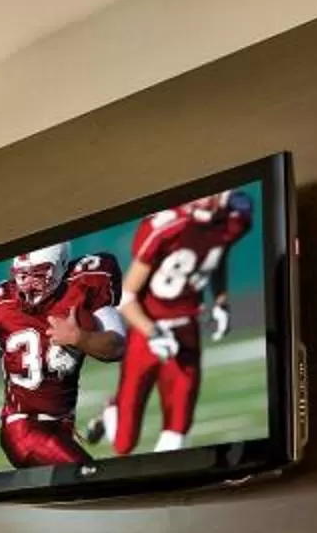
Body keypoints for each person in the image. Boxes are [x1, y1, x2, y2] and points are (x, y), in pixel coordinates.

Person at [95, 189, 255, 454]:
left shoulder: (232, 220)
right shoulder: (166, 227)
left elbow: (216, 253)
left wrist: (221, 300)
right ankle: (113, 409)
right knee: (123, 445)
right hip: (147, 333)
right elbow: (126, 296)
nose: (203, 198)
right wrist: (152, 332)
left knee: (177, 434)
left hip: (187, 330)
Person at [0, 244, 125, 469]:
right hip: (22, 427)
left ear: (60, 267)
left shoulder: (84, 286)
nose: (28, 285)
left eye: (38, 275)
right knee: (90, 476)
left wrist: (79, 338)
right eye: (22, 276)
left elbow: (117, 347)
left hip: (62, 426)